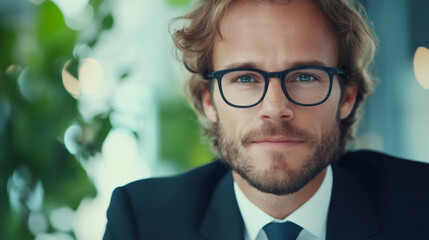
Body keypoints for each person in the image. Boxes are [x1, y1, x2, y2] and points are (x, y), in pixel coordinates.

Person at [103, 0, 429, 239]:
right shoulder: (142, 222)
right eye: (245, 78)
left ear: (346, 97)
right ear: (208, 100)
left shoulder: (420, 208)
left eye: (304, 76)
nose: (275, 107)